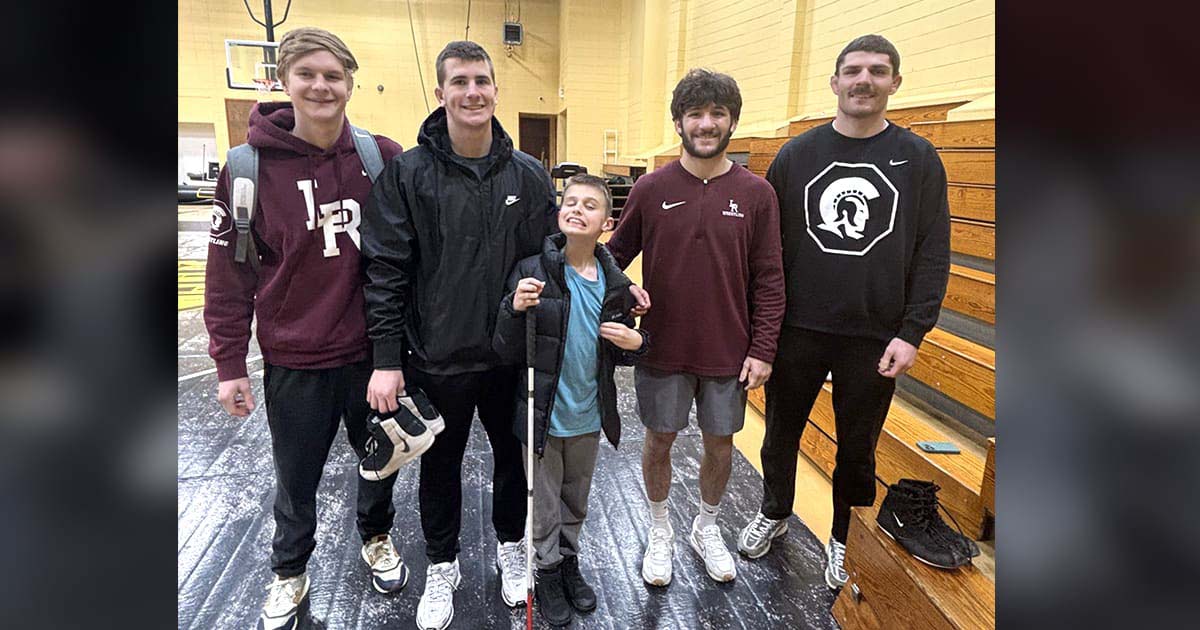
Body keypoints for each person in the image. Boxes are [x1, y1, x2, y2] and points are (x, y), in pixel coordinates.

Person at [359, 42, 649, 630]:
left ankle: (513, 547)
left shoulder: (528, 175)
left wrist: (621, 286)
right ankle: (442, 564)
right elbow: (385, 271)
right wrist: (387, 358)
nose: (473, 92)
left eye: (482, 81)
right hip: (438, 357)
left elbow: (562, 252)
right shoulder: (408, 174)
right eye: (460, 82)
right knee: (440, 469)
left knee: (516, 464)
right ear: (440, 93)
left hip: (513, 356)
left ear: (496, 89)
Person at [203, 27, 407, 630]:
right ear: (283, 81)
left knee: (381, 461)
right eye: (307, 74)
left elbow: (408, 258)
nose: (321, 86)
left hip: (371, 354)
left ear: (350, 83)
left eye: (333, 75)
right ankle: (290, 569)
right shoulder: (247, 168)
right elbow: (229, 275)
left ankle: (377, 537)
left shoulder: (380, 158)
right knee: (295, 479)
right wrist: (229, 364)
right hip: (295, 356)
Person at [736, 34, 951, 590]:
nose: (864, 80)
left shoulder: (919, 159)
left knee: (858, 451)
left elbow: (933, 251)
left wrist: (913, 332)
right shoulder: (796, 155)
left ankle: (843, 537)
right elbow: (767, 251)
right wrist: (762, 328)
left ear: (895, 83)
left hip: (875, 337)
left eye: (877, 71)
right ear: (834, 82)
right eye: (853, 70)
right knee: (779, 436)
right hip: (798, 329)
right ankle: (775, 512)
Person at [606, 69, 786, 586]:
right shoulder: (650, 188)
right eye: (695, 114)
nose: (706, 124)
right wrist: (626, 291)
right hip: (662, 346)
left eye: (717, 114)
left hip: (729, 350)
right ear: (679, 122)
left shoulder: (757, 194)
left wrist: (763, 348)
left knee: (720, 445)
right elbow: (611, 258)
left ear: (733, 122)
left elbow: (770, 278)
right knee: (659, 439)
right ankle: (659, 528)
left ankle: (706, 526)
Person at [491, 174, 649, 627]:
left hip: (589, 416)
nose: (577, 209)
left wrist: (637, 342)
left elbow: (621, 351)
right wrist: (513, 308)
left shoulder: (616, 285)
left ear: (607, 223)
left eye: (590, 205)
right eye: (571, 202)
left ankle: (568, 562)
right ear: (559, 213)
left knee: (575, 501)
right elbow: (503, 347)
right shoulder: (531, 270)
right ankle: (546, 571)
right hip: (542, 417)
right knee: (543, 506)